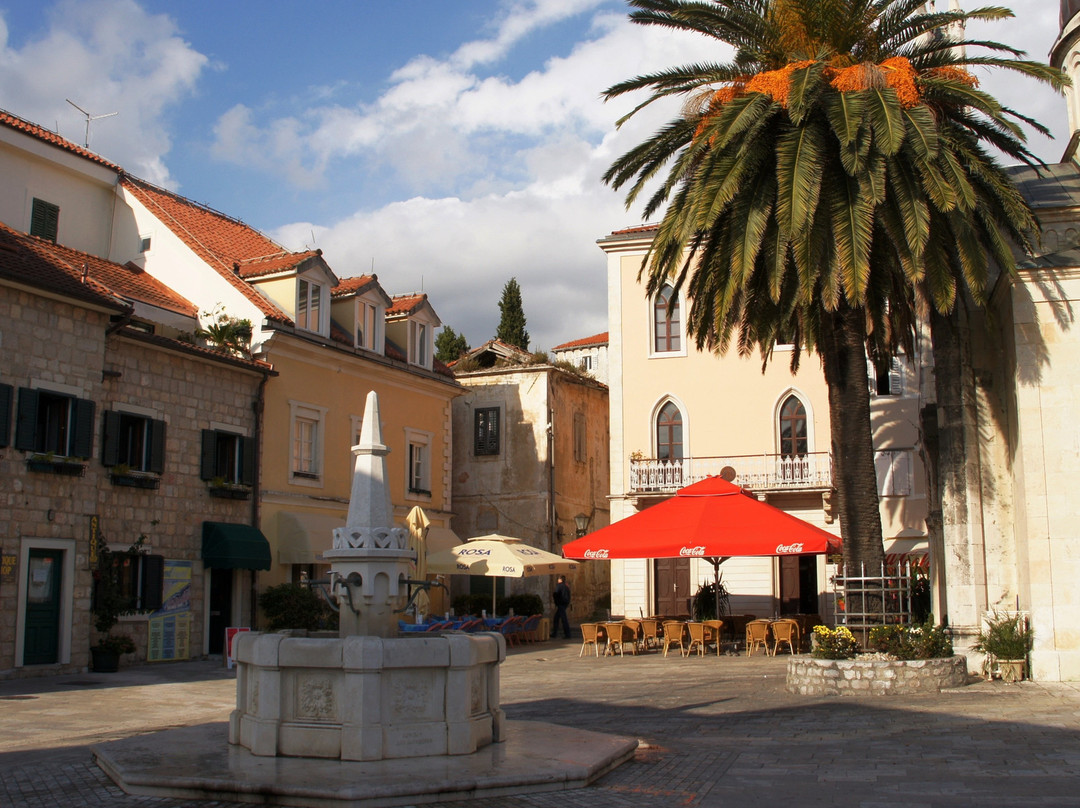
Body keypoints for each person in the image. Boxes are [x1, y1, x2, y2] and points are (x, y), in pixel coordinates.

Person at [553, 575, 571, 639]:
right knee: (557, 618)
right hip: (565, 603)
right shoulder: (567, 586)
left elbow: (556, 594)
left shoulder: (559, 586)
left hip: (561, 603)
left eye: (558, 579)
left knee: (563, 619)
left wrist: (556, 602)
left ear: (560, 580)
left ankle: (567, 634)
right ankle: (555, 633)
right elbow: (569, 595)